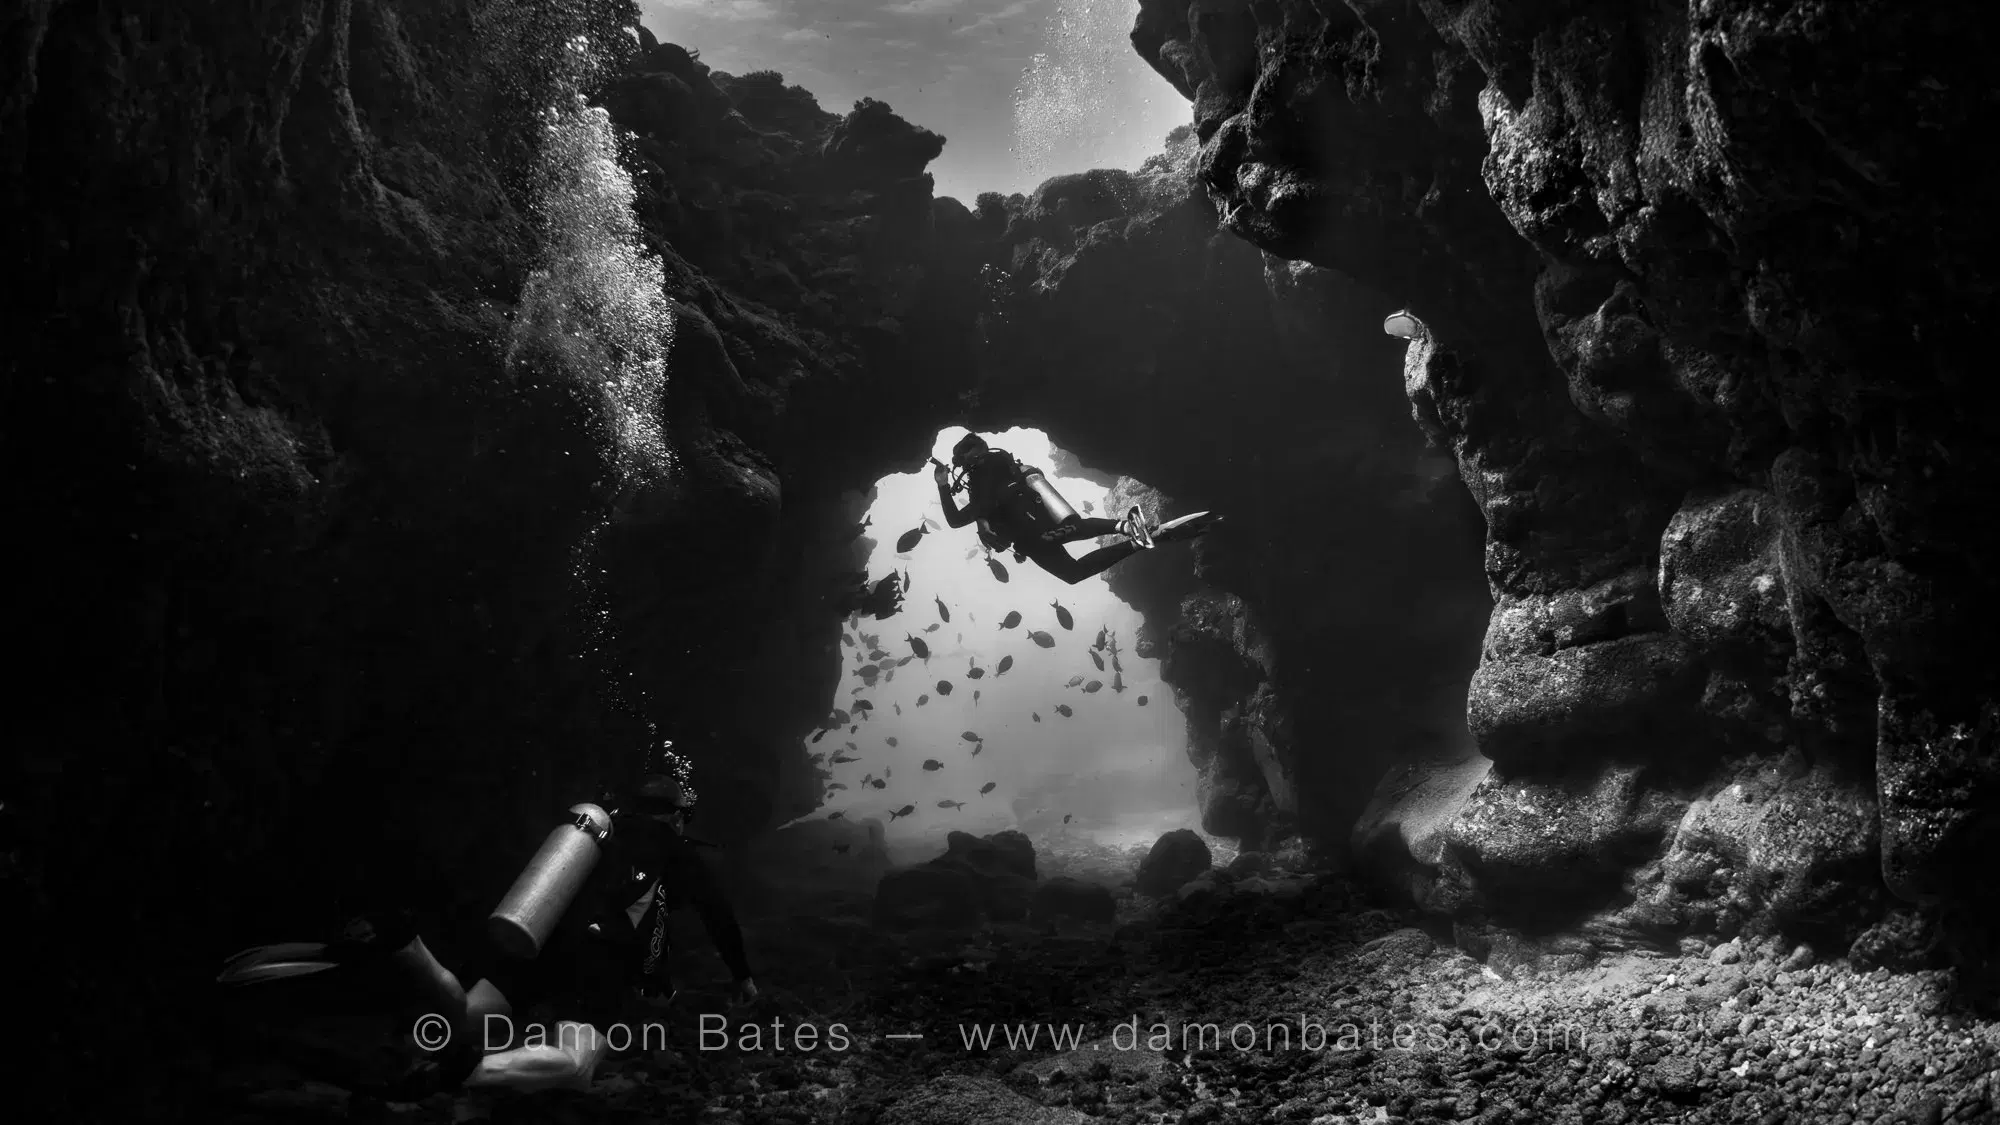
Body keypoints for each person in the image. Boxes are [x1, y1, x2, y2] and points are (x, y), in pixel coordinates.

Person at [933, 433, 1219, 585]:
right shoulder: (1000, 466)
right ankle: (1128, 530)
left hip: (1034, 535)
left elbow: (956, 520)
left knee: (1073, 565)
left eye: (960, 460)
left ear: (970, 459)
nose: (960, 467)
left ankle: (1135, 537)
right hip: (1039, 528)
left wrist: (943, 485)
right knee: (1074, 537)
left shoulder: (983, 478)